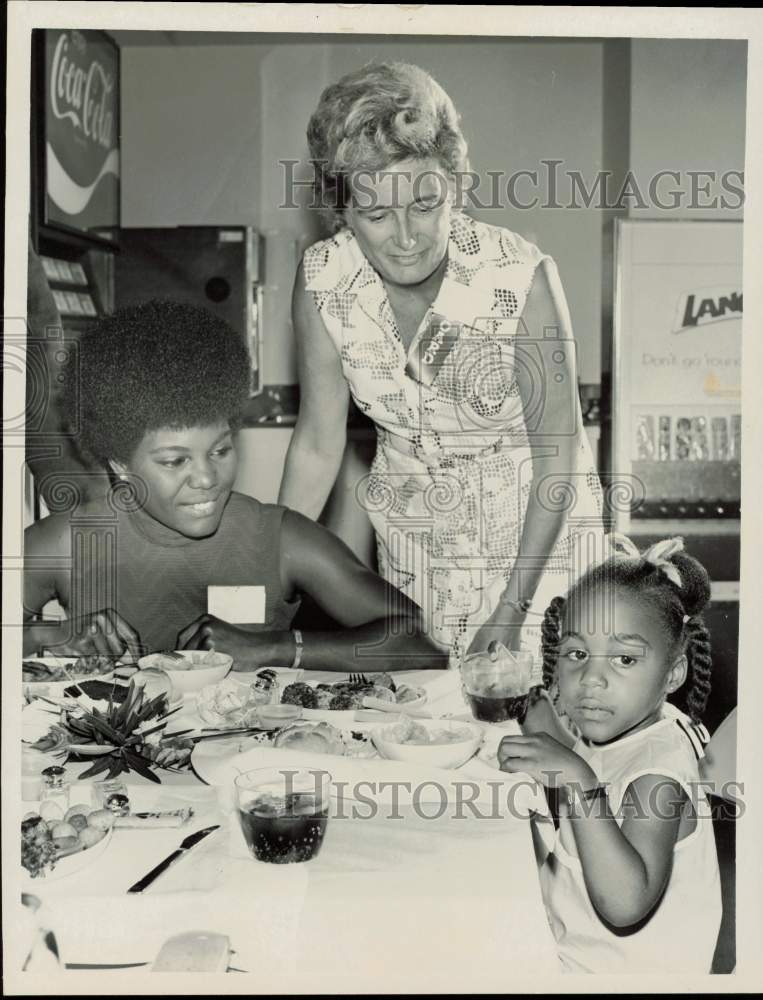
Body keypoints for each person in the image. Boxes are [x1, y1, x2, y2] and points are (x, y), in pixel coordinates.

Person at [278, 61, 605, 665]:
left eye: (426, 204)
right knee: (423, 725)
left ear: (453, 186)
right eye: (376, 215)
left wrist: (513, 610)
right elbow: (318, 446)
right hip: (415, 546)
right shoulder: (324, 279)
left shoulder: (519, 276)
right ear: (343, 213)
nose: (407, 236)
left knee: (537, 725)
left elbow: (559, 457)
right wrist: (268, 578)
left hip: (539, 548)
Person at [23, 299, 447, 673]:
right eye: (175, 461)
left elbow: (417, 641)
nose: (207, 479)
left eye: (221, 451)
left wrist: (274, 648)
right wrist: (55, 637)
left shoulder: (280, 538)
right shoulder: (65, 542)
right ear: (120, 465)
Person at [497, 535, 722, 973]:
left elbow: (624, 903)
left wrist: (578, 782)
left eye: (623, 659)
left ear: (673, 673)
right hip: (571, 944)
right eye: (577, 653)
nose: (591, 678)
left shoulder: (658, 775)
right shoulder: (627, 721)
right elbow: (582, 757)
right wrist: (521, 703)